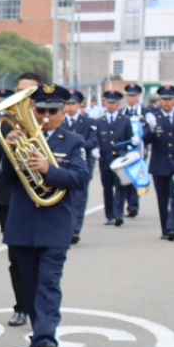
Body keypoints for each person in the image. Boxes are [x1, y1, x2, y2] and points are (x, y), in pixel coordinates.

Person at [0, 83, 90, 347]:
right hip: (23, 225)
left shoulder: (74, 141)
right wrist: (9, 150)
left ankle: (46, 338)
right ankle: (39, 335)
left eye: (53, 110)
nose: (46, 116)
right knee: (31, 284)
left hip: (54, 225)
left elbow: (80, 179)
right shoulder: (21, 136)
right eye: (40, 110)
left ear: (64, 111)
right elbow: (7, 179)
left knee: (49, 284)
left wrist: (49, 169)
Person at [0, 85, 30, 326]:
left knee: (43, 256)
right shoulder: (0, 123)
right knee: (17, 255)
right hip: (8, 196)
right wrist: (7, 141)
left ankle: (41, 305)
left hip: (36, 193)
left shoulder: (45, 121)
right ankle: (21, 306)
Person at [62, 91, 98, 243]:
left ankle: (75, 229)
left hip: (82, 164)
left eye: (73, 104)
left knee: (79, 198)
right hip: (62, 165)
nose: (70, 107)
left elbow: (93, 142)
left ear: (79, 105)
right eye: (68, 104)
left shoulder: (88, 121)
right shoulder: (60, 121)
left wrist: (75, 146)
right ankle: (64, 228)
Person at [142, 85, 174, 241]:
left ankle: (172, 227)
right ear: (159, 100)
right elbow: (145, 140)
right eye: (164, 99)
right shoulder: (153, 118)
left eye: (170, 99)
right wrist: (151, 128)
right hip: (159, 165)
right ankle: (165, 229)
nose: (167, 102)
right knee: (162, 200)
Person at [96, 90, 134, 227]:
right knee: (107, 188)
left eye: (113, 103)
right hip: (105, 159)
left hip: (120, 159)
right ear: (105, 103)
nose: (110, 105)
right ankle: (109, 215)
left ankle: (118, 214)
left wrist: (131, 145)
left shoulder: (125, 120)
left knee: (120, 187)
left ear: (118, 104)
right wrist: (96, 149)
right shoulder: (99, 121)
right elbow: (97, 139)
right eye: (108, 102)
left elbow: (129, 139)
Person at [122, 83, 145, 218]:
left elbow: (150, 132)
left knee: (137, 176)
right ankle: (129, 203)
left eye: (134, 96)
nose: (132, 98)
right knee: (126, 177)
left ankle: (133, 205)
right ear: (126, 97)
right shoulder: (122, 113)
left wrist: (142, 136)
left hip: (139, 151)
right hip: (125, 151)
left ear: (138, 97)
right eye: (129, 96)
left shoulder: (146, 112)